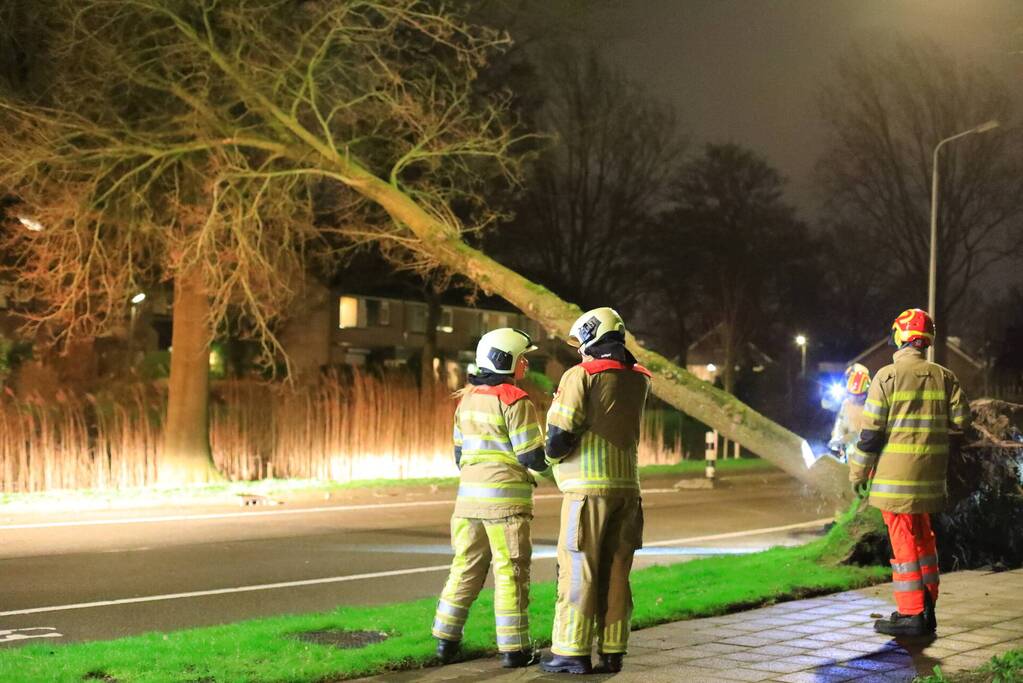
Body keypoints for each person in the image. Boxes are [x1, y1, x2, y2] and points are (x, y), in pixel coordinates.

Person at [540, 307, 650, 675]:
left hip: (586, 492)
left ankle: (570, 652)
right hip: (627, 491)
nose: (579, 351)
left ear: (590, 337)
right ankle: (613, 650)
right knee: (617, 569)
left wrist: (550, 458)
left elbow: (558, 437)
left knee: (578, 567)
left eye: (581, 343)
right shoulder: (639, 379)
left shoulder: (580, 375)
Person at [849, 309, 970, 637]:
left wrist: (857, 474)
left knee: (903, 543)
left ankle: (912, 612)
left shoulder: (886, 377)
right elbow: (961, 423)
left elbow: (870, 435)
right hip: (930, 479)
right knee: (923, 538)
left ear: (899, 336)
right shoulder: (946, 377)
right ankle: (928, 605)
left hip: (893, 480)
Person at [431, 328, 547, 668]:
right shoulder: (514, 399)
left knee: (464, 569)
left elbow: (458, 454)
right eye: (522, 356)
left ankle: (444, 642)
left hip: (467, 504)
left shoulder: (466, 398)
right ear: (506, 358)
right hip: (506, 506)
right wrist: (556, 457)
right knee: (510, 574)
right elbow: (531, 457)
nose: (526, 362)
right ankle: (514, 651)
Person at [828, 363, 872, 462]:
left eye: (859, 396)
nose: (854, 399)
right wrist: (837, 440)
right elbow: (840, 424)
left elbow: (871, 432)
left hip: (867, 457)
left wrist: (852, 437)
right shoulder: (847, 403)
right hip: (850, 455)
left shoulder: (873, 405)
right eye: (852, 395)